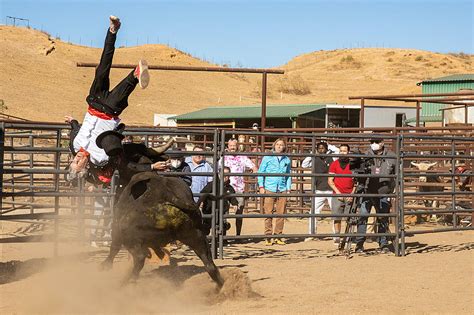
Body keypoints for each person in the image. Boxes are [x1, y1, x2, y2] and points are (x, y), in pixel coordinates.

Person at [65, 15, 150, 179]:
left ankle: (113, 30)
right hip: (109, 112)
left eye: (73, 161)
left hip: (95, 103)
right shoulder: (100, 159)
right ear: (84, 167)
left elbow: (76, 130)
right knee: (126, 86)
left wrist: (72, 121)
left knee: (103, 66)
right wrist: (118, 131)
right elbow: (115, 147)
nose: (76, 159)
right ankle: (137, 72)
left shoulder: (74, 145)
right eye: (77, 163)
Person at [355, 138, 395, 253]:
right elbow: (359, 171)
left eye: (376, 142)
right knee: (363, 216)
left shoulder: (392, 156)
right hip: (367, 190)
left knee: (383, 217)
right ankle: (359, 244)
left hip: (384, 191)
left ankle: (383, 244)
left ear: (382, 143)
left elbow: (396, 174)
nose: (374, 144)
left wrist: (392, 191)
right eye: (372, 142)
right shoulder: (365, 155)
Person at [219, 138, 258, 236]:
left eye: (234, 145)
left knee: (239, 212)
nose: (232, 147)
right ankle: (223, 236)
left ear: (237, 146)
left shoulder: (243, 157)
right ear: (228, 146)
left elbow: (253, 167)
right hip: (226, 189)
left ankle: (238, 235)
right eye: (230, 145)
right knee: (224, 212)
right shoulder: (224, 157)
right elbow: (217, 169)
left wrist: (253, 170)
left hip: (239, 189)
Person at [258, 138, 291, 246]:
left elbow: (288, 175)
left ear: (284, 147)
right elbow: (261, 172)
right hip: (269, 188)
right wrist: (261, 186)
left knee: (281, 214)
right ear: (274, 145)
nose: (279, 146)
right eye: (278, 144)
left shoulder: (287, 159)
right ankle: (268, 236)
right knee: (268, 213)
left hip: (282, 189)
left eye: (281, 145)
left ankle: (278, 236)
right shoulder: (267, 157)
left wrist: (288, 188)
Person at [301, 141, 335, 240]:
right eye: (319, 148)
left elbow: (337, 152)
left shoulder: (333, 157)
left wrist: (331, 147)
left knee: (335, 212)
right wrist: (312, 153)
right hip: (319, 189)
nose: (321, 150)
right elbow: (304, 164)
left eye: (323, 148)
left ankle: (335, 235)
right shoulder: (314, 158)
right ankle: (312, 233)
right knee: (313, 212)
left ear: (326, 149)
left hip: (331, 189)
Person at [198, 167, 238, 236]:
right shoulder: (212, 184)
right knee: (206, 225)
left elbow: (232, 197)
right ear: (219, 174)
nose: (226, 176)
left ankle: (222, 240)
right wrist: (201, 201)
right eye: (224, 174)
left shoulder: (229, 188)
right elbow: (203, 193)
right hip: (209, 209)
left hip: (222, 210)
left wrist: (235, 204)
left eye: (228, 175)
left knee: (221, 225)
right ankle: (205, 240)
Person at [328, 144, 355, 246]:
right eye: (341, 151)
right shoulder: (334, 164)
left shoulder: (352, 164)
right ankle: (337, 236)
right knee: (337, 217)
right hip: (337, 194)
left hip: (350, 194)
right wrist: (337, 193)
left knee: (350, 218)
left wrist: (352, 194)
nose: (343, 152)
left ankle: (348, 237)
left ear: (348, 152)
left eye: (345, 151)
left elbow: (356, 181)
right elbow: (330, 180)